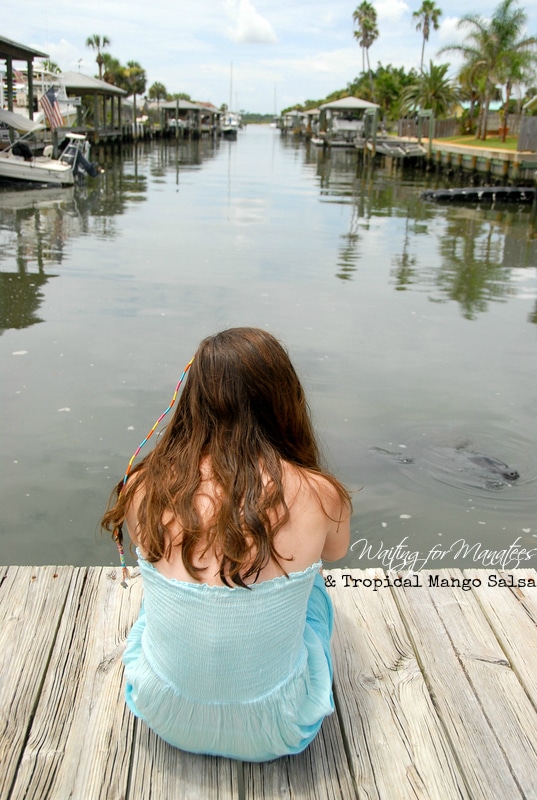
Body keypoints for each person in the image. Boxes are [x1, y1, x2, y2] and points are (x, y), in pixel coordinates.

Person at [102, 327, 351, 762]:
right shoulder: (320, 494)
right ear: (283, 400)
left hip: (162, 710)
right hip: (281, 725)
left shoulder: (143, 485)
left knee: (160, 587)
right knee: (313, 589)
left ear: (193, 400)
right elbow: (335, 552)